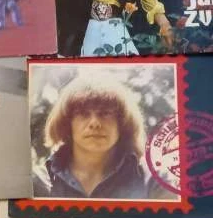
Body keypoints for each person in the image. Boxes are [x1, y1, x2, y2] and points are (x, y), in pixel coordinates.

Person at [33, 76, 161, 200]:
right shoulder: (39, 182)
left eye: (105, 113)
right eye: (83, 114)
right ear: (67, 123)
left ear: (123, 124)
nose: (94, 123)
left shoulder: (153, 181)